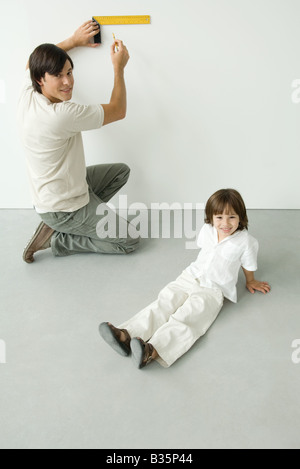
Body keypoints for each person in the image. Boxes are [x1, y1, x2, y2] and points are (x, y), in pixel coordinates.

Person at [99, 188, 271, 369]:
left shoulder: (247, 242)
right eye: (219, 217)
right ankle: (126, 335)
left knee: (188, 317)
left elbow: (248, 264)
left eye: (232, 217)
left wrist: (250, 280)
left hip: (213, 289)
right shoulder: (207, 230)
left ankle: (152, 350)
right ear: (211, 217)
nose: (225, 223)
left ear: (241, 217)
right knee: (164, 303)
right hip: (190, 276)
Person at [18, 20, 140, 263]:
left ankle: (73, 221)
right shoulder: (61, 115)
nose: (68, 82)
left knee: (120, 172)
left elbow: (31, 62)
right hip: (62, 207)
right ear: (41, 79)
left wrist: (73, 41)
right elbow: (118, 110)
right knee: (129, 239)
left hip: (58, 191)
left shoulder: (28, 93)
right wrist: (119, 67)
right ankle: (60, 239)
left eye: (69, 73)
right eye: (58, 76)